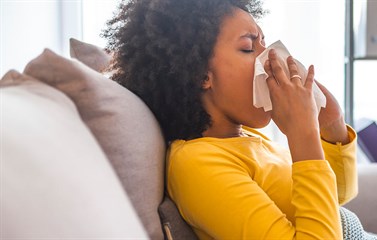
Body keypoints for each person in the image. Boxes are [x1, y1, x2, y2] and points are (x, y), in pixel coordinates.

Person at [103, 0, 357, 239]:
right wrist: (303, 135)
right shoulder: (198, 164)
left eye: (264, 44)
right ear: (201, 75)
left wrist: (332, 125)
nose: (269, 59)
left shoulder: (247, 136)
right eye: (248, 47)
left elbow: (331, 200)